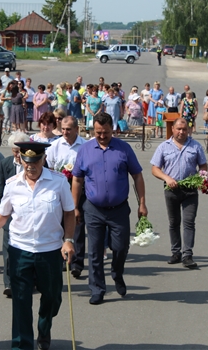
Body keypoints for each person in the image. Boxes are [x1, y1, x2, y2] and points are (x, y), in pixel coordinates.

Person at [0, 141, 76, 350]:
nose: (31, 166)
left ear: (43, 159)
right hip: (20, 250)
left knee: (52, 297)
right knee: (20, 301)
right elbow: (2, 217)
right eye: (26, 161)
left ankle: (44, 327)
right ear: (20, 159)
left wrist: (68, 240)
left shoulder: (58, 182)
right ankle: (22, 345)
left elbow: (69, 213)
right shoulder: (12, 184)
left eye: (36, 161)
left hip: (50, 250)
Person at [72, 112, 148, 305]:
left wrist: (142, 203)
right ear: (93, 130)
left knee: (121, 247)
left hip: (119, 209)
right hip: (93, 208)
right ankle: (97, 289)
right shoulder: (85, 150)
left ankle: (117, 273)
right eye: (98, 132)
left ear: (113, 129)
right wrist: (74, 207)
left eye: (106, 132)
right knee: (95, 251)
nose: (102, 136)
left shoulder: (124, 149)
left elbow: (137, 175)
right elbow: (77, 179)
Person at [150, 117, 208, 269]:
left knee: (189, 222)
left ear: (188, 130)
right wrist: (166, 178)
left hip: (190, 190)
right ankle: (176, 252)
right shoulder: (164, 147)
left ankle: (187, 255)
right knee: (174, 222)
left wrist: (202, 179)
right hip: (172, 190)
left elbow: (203, 166)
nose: (182, 132)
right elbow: (155, 168)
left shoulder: (195, 146)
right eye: (179, 129)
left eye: (184, 129)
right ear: (173, 130)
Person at [46, 116, 87, 278]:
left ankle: (77, 262)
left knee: (78, 223)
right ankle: (63, 258)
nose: (65, 132)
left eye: (68, 129)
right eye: (63, 129)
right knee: (60, 223)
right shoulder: (55, 145)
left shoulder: (85, 145)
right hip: (60, 187)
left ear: (77, 129)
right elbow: (49, 166)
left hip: (80, 188)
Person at [0, 131, 31, 298]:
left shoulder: (33, 164)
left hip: (28, 215)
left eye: (19, 151)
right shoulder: (5, 164)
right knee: (8, 249)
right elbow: (0, 189)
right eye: (14, 151)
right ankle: (8, 283)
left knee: (26, 250)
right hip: (9, 215)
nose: (17, 155)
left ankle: (28, 281)